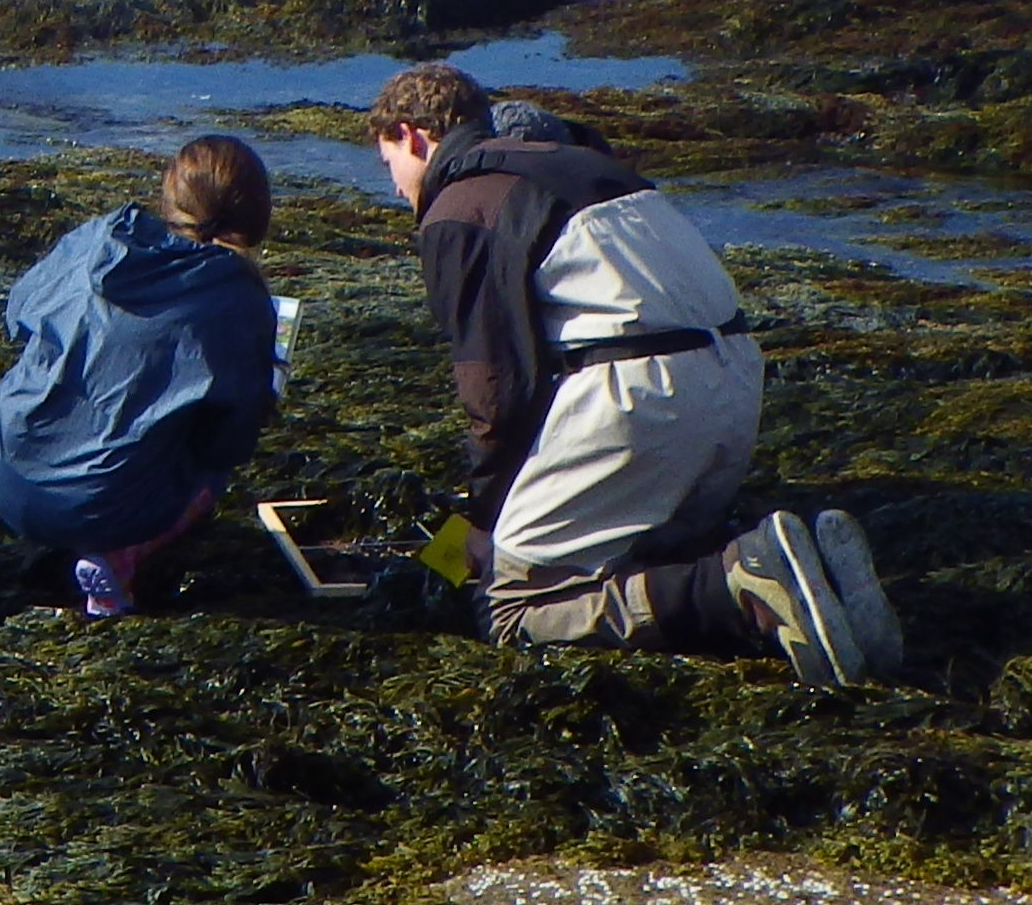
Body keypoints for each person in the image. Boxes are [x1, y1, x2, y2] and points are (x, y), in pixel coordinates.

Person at [370, 61, 904, 685]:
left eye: (389, 167)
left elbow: (497, 389)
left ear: (413, 136)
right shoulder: (596, 169)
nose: (395, 190)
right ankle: (816, 574)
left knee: (512, 607)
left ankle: (738, 584)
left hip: (642, 398)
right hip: (731, 379)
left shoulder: (461, 204)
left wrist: (485, 522)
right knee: (640, 549)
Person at [0, 136, 283, 619]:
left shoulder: (102, 237)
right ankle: (121, 557)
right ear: (255, 214)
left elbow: (18, 312)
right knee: (209, 469)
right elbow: (228, 444)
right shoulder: (237, 300)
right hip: (96, 503)